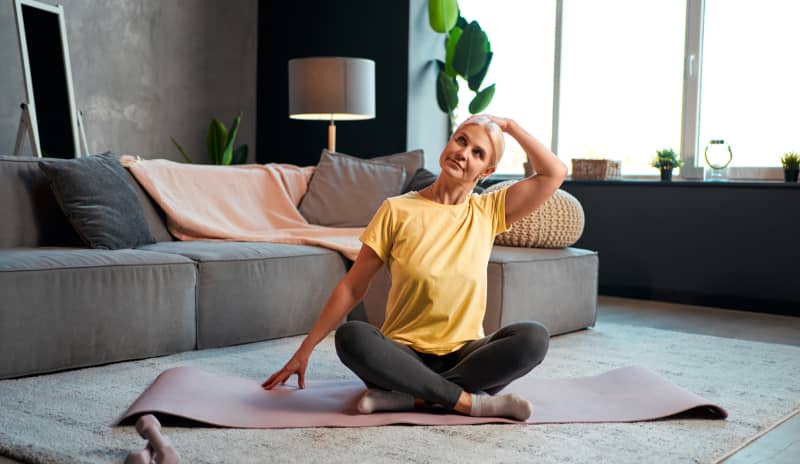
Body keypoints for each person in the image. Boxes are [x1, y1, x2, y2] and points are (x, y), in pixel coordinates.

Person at [263, 115, 568, 421]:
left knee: (533, 338)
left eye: (478, 153)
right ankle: (468, 402)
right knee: (352, 337)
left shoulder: (488, 211)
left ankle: (409, 398)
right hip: (402, 356)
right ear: (449, 142)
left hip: (465, 355)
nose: (463, 153)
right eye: (461, 140)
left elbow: (554, 173)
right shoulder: (396, 210)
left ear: (487, 171)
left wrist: (510, 127)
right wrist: (305, 349)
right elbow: (352, 287)